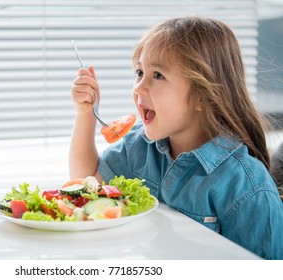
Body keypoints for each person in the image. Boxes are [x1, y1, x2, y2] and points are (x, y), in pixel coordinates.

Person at [69, 16, 283, 259]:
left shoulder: (246, 187)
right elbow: (86, 184)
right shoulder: (140, 146)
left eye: (157, 75)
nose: (139, 87)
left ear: (204, 96)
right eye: (140, 72)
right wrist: (85, 115)